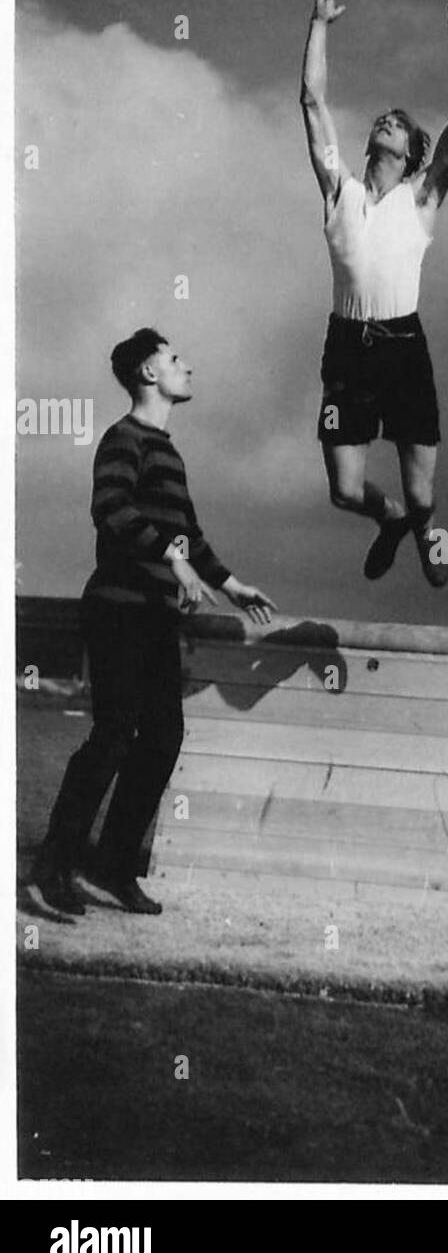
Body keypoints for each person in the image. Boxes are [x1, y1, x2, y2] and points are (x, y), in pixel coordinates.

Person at [30, 329, 277, 917]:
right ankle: (49, 871)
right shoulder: (123, 439)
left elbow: (188, 536)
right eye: (174, 359)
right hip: (118, 609)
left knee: (164, 738)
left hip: (156, 618)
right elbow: (111, 509)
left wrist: (231, 585)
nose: (187, 367)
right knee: (113, 735)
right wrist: (173, 560)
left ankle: (111, 868)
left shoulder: (169, 450)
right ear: (146, 373)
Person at [301, 0, 448, 586]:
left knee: (425, 494)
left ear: (410, 152)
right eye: (381, 118)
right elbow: (312, 101)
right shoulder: (339, 191)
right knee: (346, 491)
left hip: (404, 348)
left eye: (397, 123)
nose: (384, 120)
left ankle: (421, 523)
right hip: (347, 347)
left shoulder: (422, 198)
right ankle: (391, 519)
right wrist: (318, 24)